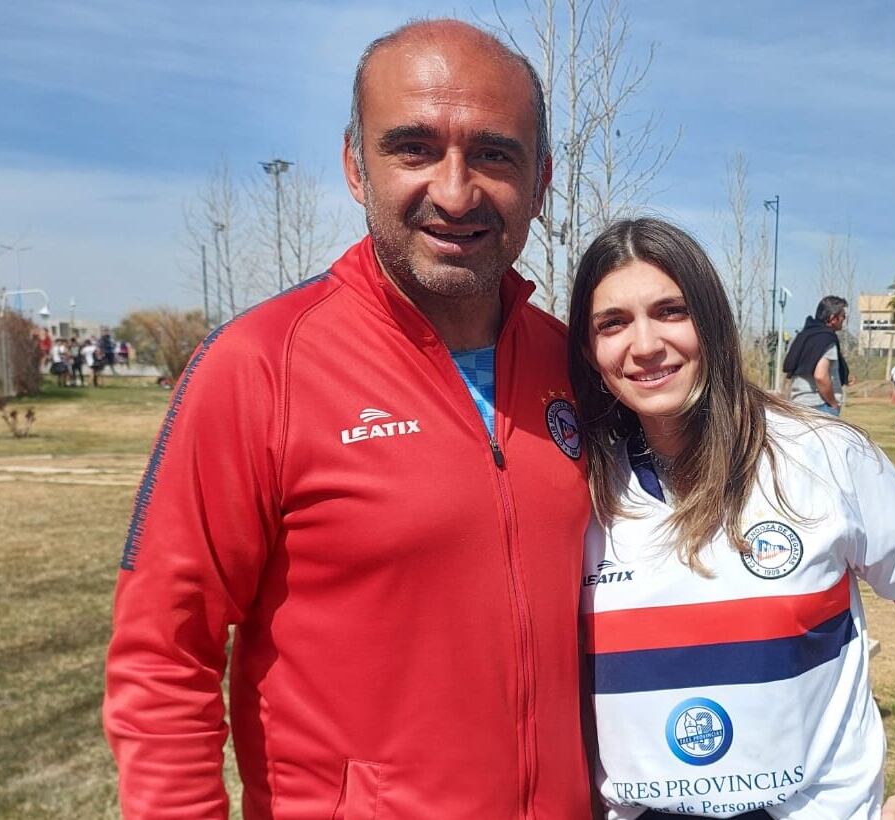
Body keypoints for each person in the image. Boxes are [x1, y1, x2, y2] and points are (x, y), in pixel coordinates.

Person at [103, 21, 595, 818]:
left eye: (494, 153)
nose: (455, 190)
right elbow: (165, 653)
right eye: (414, 148)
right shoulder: (260, 365)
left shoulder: (574, 366)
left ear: (541, 180)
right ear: (355, 166)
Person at [568, 218, 895, 820]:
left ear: (713, 322)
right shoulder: (578, 489)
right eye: (612, 323)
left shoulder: (829, 456)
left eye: (670, 311)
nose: (644, 344)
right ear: (589, 352)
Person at [782, 295, 853, 415]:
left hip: (797, 404)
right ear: (833, 318)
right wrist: (833, 404)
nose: (843, 320)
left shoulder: (804, 336)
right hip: (819, 406)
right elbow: (820, 376)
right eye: (843, 316)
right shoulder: (826, 339)